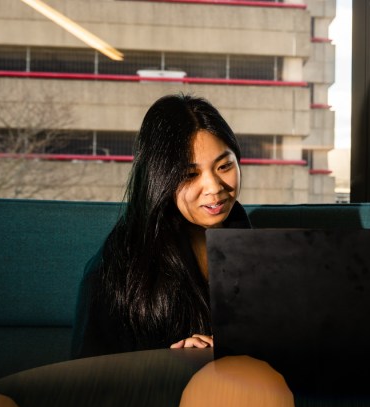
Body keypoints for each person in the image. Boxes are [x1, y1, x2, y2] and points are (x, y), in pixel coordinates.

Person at [71, 94, 250, 358]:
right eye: (190, 175)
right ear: (160, 179)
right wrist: (171, 361)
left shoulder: (257, 247)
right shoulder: (115, 271)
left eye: (224, 166)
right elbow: (91, 379)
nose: (214, 188)